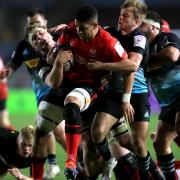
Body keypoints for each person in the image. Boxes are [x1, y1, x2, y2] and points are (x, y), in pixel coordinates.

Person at [28, 5, 140, 180]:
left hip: (94, 92)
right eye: (34, 39)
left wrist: (108, 72)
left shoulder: (66, 32)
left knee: (124, 144)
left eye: (41, 33)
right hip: (71, 96)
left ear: (51, 32)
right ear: (34, 48)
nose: (39, 38)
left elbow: (128, 65)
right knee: (43, 130)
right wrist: (58, 62)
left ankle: (150, 170)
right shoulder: (42, 63)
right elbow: (55, 83)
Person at [87, 1, 164, 179]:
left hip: (137, 95)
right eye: (120, 14)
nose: (120, 18)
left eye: (125, 16)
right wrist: (64, 28)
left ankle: (150, 173)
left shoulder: (139, 38)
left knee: (138, 143)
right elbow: (92, 29)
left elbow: (132, 65)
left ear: (137, 22)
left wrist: (102, 66)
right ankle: (108, 160)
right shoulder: (111, 32)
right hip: (114, 93)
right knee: (97, 133)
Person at [0, 9, 65, 179]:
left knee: (48, 129)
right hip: (39, 95)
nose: (34, 26)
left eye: (37, 22)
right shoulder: (24, 45)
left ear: (45, 23)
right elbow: (13, 64)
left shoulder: (55, 39)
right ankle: (64, 162)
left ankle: (68, 162)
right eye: (31, 23)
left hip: (56, 91)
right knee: (51, 132)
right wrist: (6, 72)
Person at [140, 10, 180, 180]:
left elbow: (172, 55)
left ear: (154, 27)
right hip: (168, 103)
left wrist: (146, 64)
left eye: (141, 24)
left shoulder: (166, 38)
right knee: (160, 143)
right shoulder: (139, 49)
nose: (137, 27)